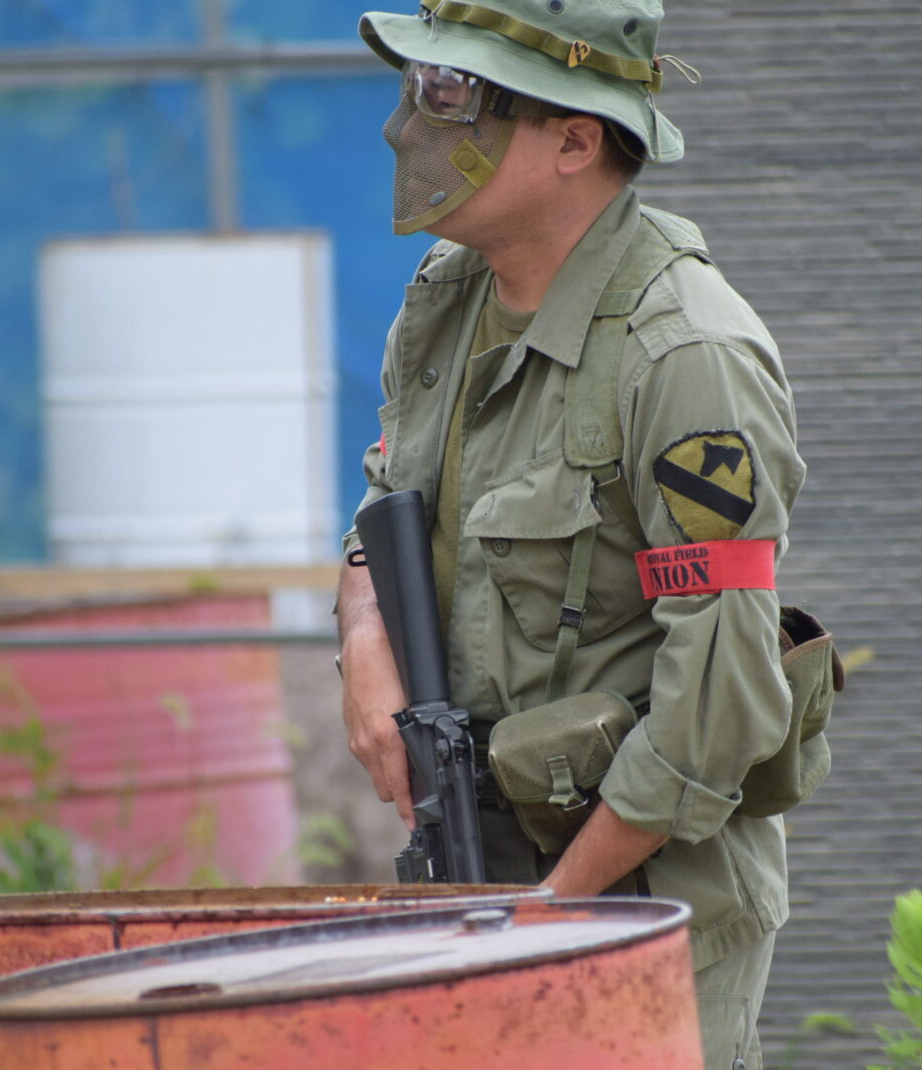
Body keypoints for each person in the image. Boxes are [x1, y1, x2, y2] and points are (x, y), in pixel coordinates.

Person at [335, 2, 806, 1066]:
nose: (408, 126)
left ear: (573, 141)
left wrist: (550, 913)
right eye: (419, 88)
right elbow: (383, 504)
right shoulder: (446, 301)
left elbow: (717, 706)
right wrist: (362, 631)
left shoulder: (686, 355)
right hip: (486, 886)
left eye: (452, 95)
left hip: (640, 914)